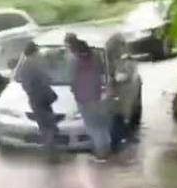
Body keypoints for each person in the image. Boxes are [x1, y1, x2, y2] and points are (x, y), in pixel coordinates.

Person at [66, 33, 111, 163]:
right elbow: (101, 72)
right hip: (96, 94)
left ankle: (101, 155)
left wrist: (74, 90)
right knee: (100, 125)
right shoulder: (94, 55)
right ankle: (106, 150)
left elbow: (72, 79)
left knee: (92, 126)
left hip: (84, 97)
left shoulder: (74, 60)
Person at [16, 41, 58, 151]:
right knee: (47, 122)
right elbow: (47, 78)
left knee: (43, 122)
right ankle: (50, 144)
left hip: (34, 97)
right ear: (34, 51)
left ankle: (49, 141)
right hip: (42, 95)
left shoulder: (24, 66)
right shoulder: (38, 63)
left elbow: (24, 84)